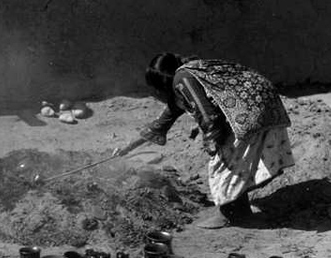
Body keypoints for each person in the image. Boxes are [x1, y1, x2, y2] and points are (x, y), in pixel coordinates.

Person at [115, 52, 295, 229]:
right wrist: (125, 149)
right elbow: (158, 126)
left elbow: (208, 116)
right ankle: (241, 211)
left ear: (160, 84)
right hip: (263, 103)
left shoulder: (183, 79)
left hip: (247, 111)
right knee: (236, 163)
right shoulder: (186, 80)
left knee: (223, 165)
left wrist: (212, 140)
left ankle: (229, 215)